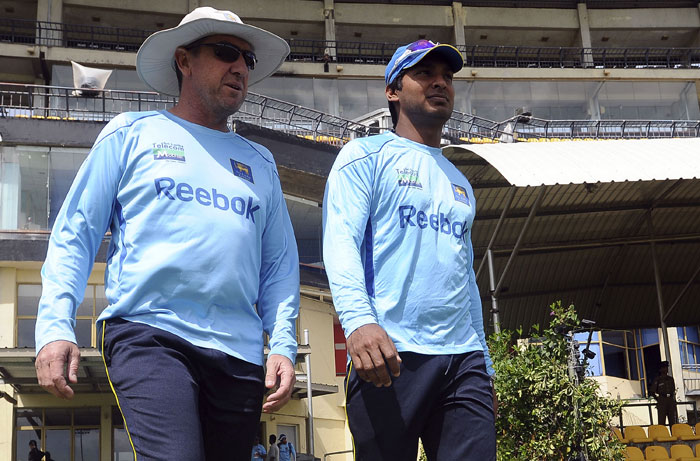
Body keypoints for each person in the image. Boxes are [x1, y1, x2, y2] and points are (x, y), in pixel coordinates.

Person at [34, 7, 299, 460]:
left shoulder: (260, 161)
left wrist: (285, 345)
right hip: (149, 333)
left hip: (239, 352)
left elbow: (278, 264)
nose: (239, 67)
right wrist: (55, 327)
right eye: (225, 52)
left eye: (247, 60)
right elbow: (76, 233)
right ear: (183, 60)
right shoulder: (131, 134)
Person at [322, 39, 496, 461]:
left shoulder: (460, 182)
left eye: (447, 77)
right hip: (388, 354)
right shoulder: (363, 156)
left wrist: (485, 363)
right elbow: (339, 242)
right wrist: (359, 323)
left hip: (462, 360)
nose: (440, 83)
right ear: (393, 91)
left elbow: (464, 278)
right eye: (425, 73)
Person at [650, 360, 677, 427]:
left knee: (673, 421)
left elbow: (673, 389)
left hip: (670, 400)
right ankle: (663, 436)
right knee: (662, 422)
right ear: (660, 369)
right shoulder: (658, 379)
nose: (666, 369)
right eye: (664, 367)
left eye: (666, 367)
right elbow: (652, 391)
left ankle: (674, 435)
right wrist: (658, 399)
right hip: (662, 400)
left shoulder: (670, 379)